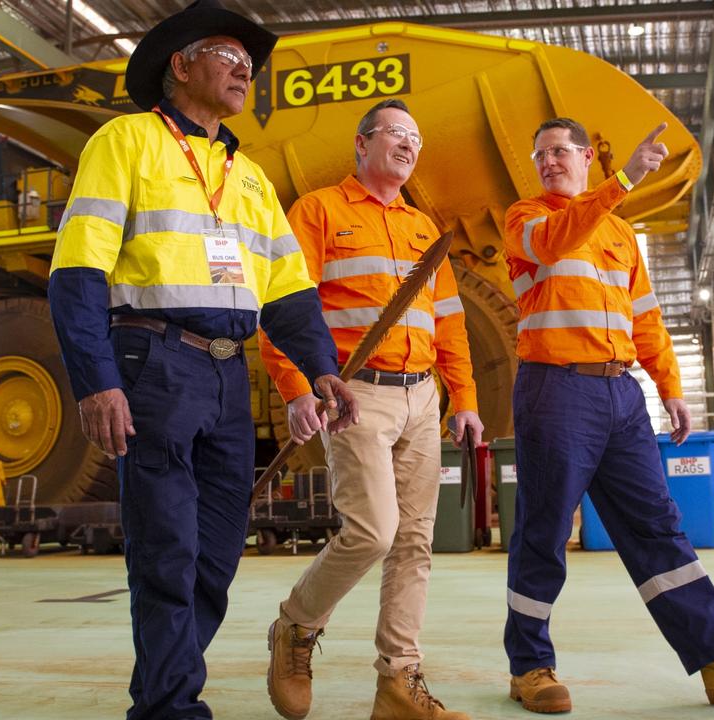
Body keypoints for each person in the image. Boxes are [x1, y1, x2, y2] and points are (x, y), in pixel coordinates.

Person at [47, 2, 358, 718]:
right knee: (167, 548)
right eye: (227, 52)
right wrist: (98, 381)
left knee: (215, 555)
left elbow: (287, 287)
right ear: (179, 65)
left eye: (250, 61)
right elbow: (77, 274)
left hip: (226, 372)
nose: (245, 67)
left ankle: (163, 691)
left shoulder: (244, 175)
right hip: (152, 360)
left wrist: (320, 367)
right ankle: (169, 707)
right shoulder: (125, 141)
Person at [501, 117, 714, 712]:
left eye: (561, 151)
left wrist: (670, 385)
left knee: (658, 526)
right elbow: (555, 243)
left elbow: (645, 318)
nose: (549, 162)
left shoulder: (618, 234)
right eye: (541, 155)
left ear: (585, 154)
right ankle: (530, 666)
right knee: (545, 530)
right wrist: (623, 180)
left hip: (621, 396)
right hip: (554, 391)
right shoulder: (526, 219)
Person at [258, 99, 483, 720]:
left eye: (416, 137)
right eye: (396, 134)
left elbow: (450, 324)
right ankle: (296, 626)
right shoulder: (319, 211)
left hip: (422, 394)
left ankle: (398, 680)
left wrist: (463, 398)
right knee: (373, 531)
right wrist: (296, 387)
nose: (409, 145)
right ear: (362, 144)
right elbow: (282, 310)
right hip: (356, 397)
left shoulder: (422, 228)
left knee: (415, 543)